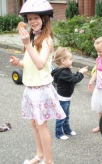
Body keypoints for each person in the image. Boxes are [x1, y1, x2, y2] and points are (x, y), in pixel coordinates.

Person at [9, 0, 66, 164]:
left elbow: (41, 65)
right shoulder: (32, 38)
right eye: (29, 18)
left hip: (41, 89)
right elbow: (29, 65)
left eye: (36, 18)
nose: (32, 21)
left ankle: (49, 161)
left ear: (45, 18)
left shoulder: (46, 40)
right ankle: (40, 155)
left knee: (41, 125)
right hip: (30, 88)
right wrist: (18, 63)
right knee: (34, 123)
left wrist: (27, 44)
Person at [51, 47, 88, 140]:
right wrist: (81, 73)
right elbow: (74, 80)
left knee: (66, 115)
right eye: (70, 59)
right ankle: (59, 133)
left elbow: (71, 77)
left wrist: (78, 72)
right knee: (61, 116)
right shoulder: (63, 72)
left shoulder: (65, 70)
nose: (72, 61)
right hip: (62, 99)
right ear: (63, 61)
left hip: (66, 98)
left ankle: (67, 129)